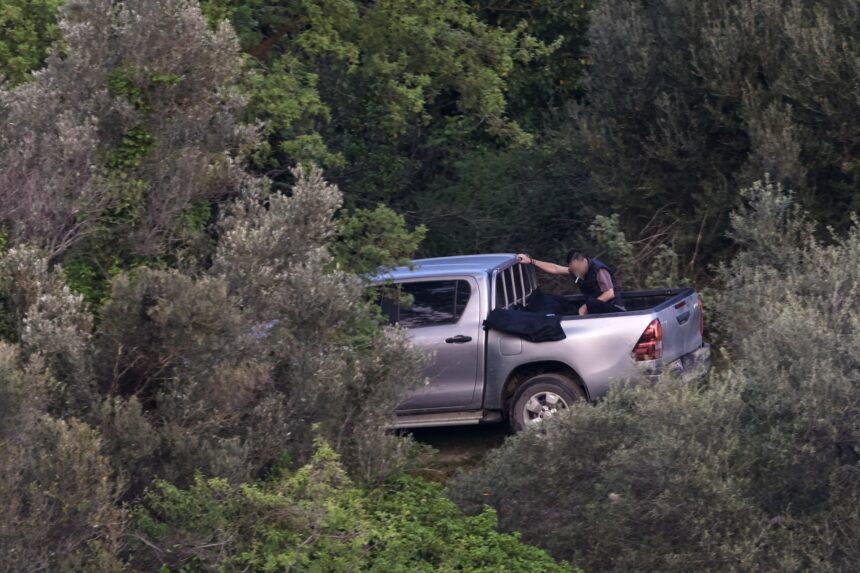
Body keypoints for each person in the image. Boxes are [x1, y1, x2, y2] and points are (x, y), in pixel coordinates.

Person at [517, 250, 625, 315]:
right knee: (560, 300)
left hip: (613, 309)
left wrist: (586, 306)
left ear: (583, 261)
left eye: (577, 269)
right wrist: (532, 261)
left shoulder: (599, 270)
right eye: (572, 269)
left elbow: (610, 293)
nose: (575, 272)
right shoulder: (575, 270)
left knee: (591, 303)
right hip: (593, 306)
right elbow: (555, 268)